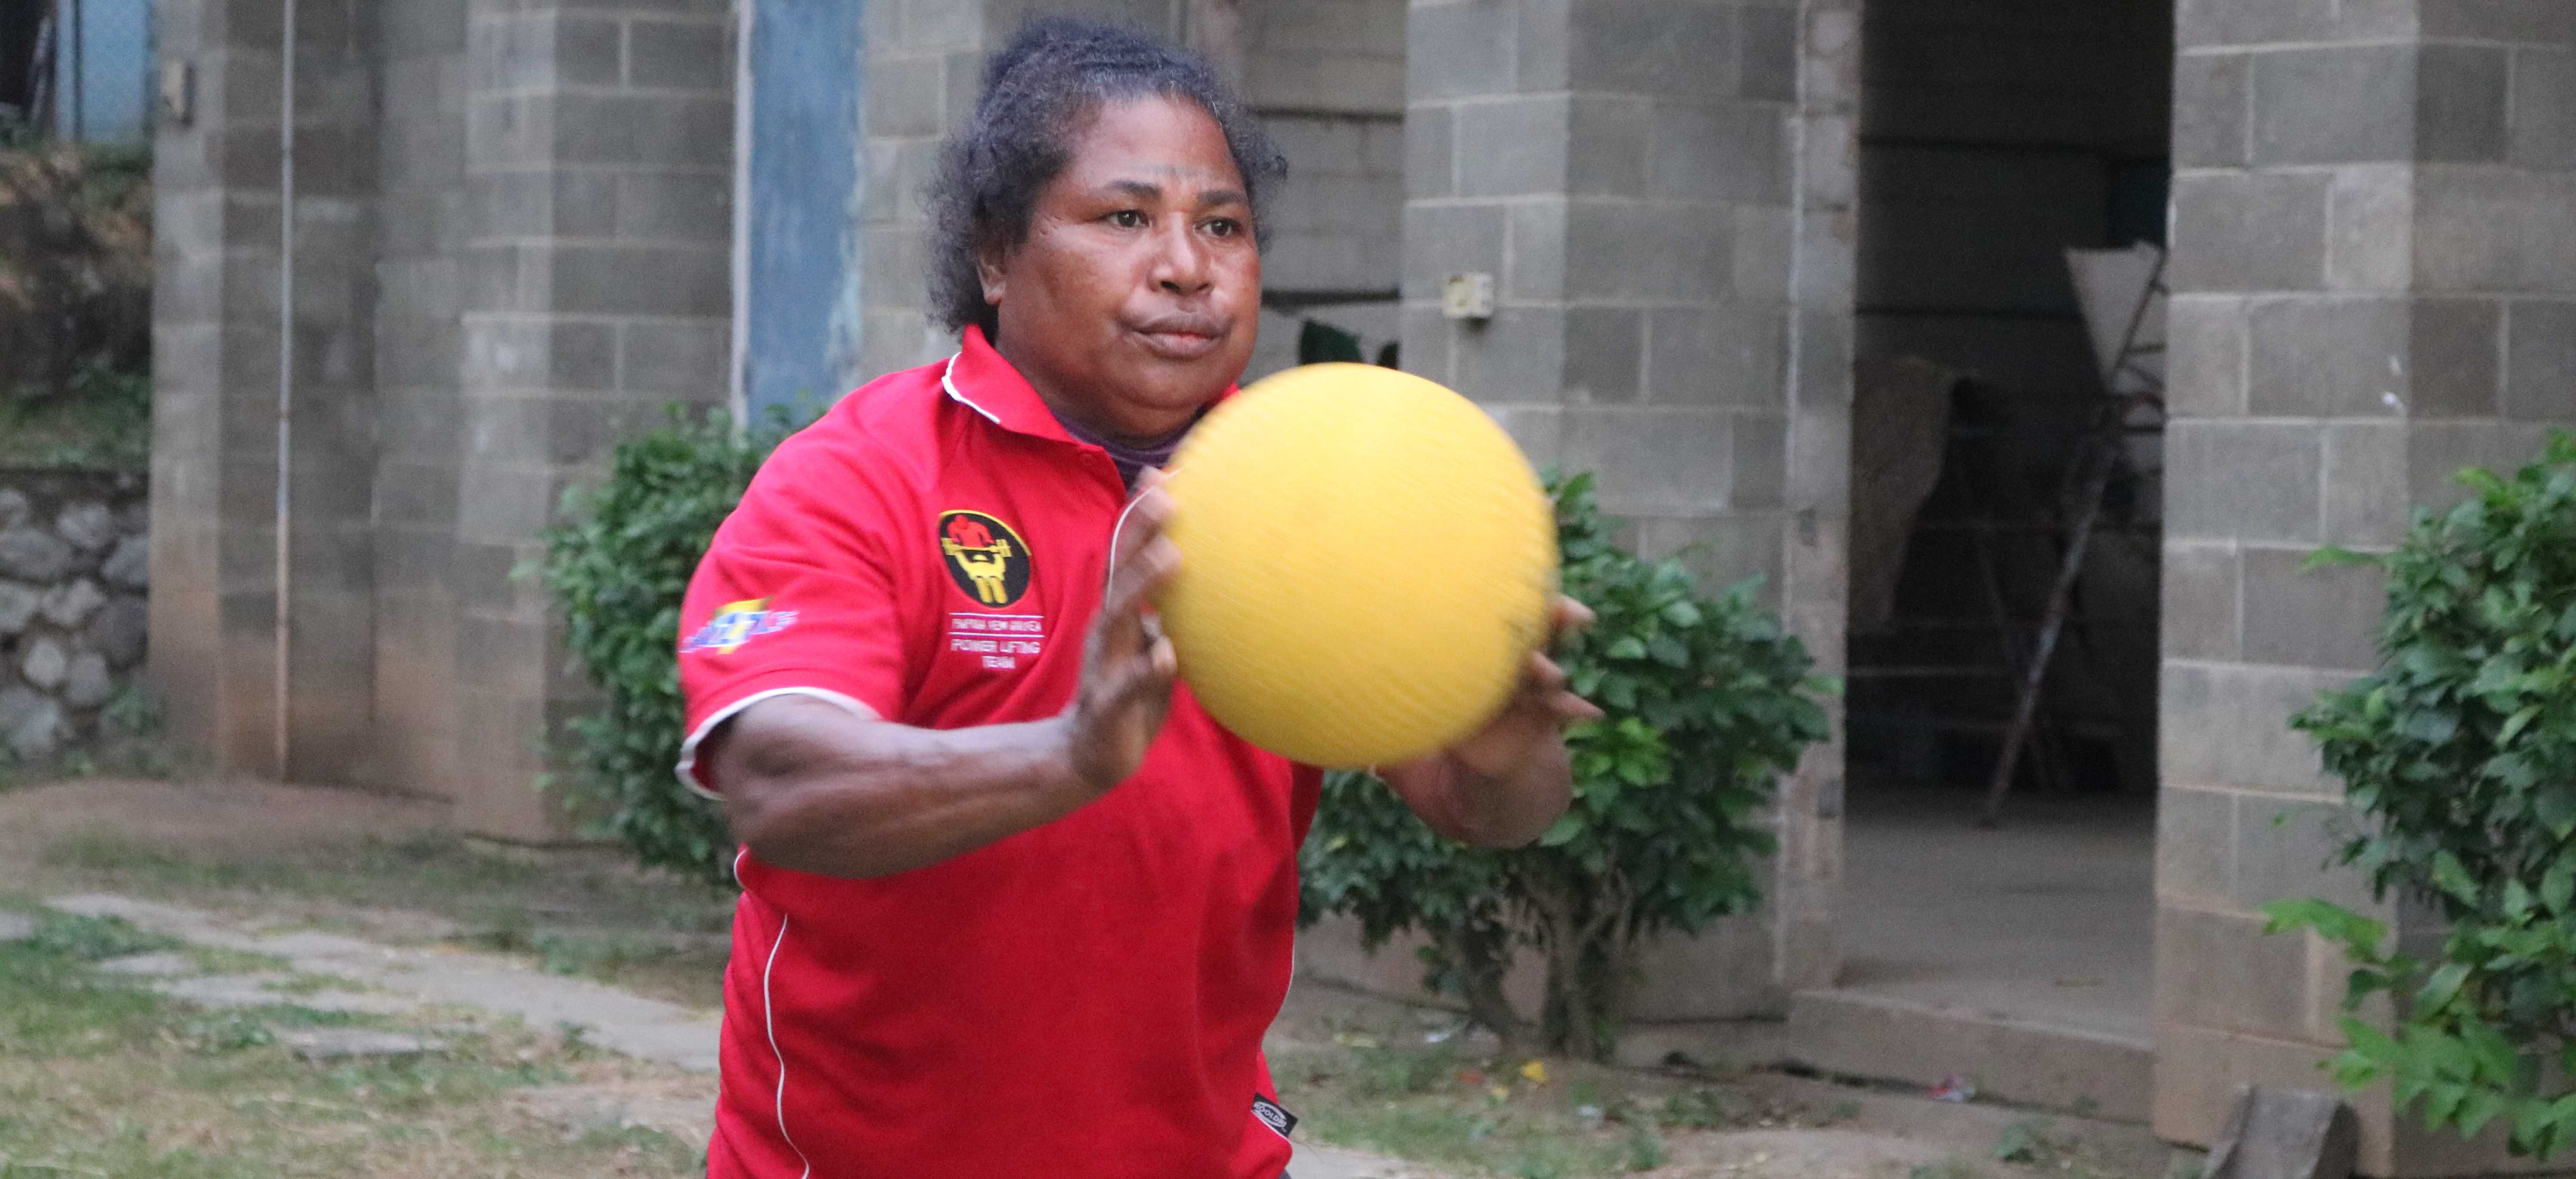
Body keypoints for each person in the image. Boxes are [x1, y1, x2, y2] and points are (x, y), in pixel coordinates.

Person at [675, 18, 1598, 1178]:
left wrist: (1507, 754)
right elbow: (777, 779)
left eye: (1222, 224)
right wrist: (1064, 756)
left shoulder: (1308, 500)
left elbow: (1483, 812)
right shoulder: (860, 475)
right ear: (996, 252)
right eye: (1126, 218)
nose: (1186, 265)